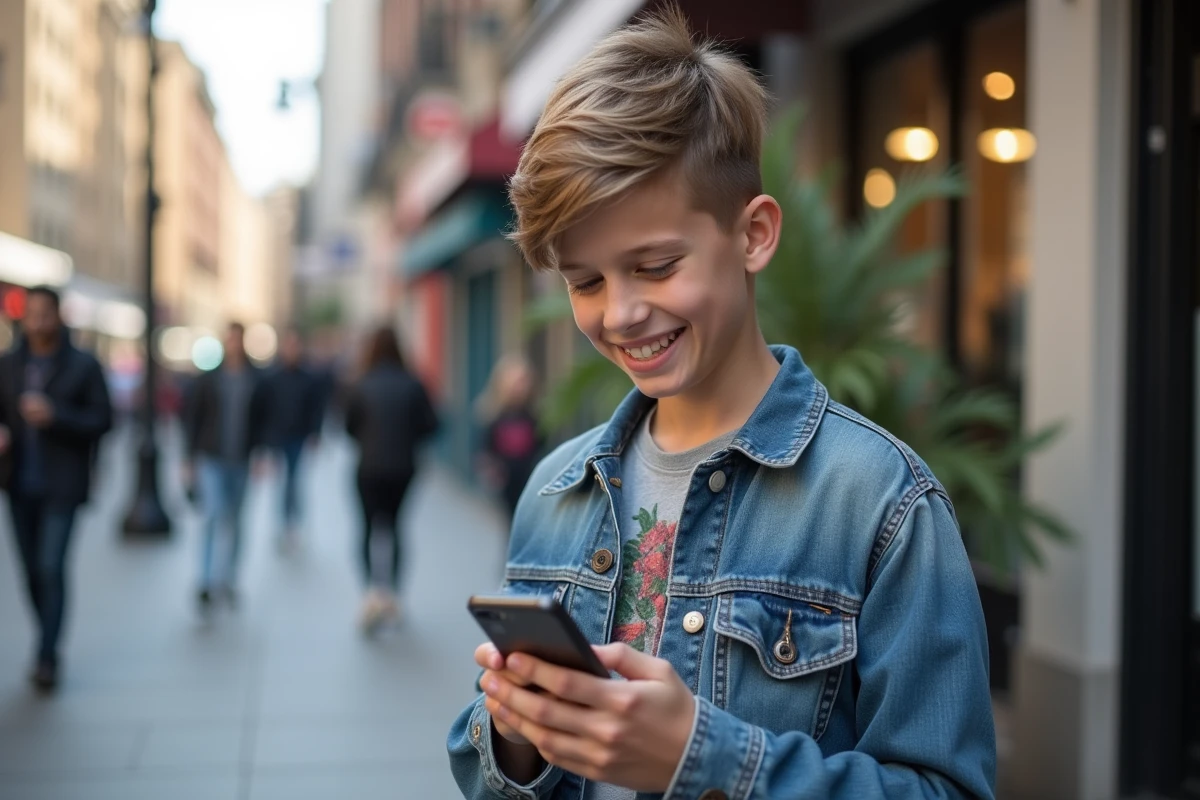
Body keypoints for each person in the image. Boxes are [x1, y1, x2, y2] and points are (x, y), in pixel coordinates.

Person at [447, 8, 995, 800]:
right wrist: (514, 733)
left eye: (657, 264)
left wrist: (699, 758)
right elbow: (485, 771)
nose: (622, 311)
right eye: (586, 281)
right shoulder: (554, 490)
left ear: (754, 235)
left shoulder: (881, 504)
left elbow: (947, 788)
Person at [0, 286, 112, 691]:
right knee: (31, 571)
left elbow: (103, 420)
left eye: (46, 313)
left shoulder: (82, 365)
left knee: (51, 566)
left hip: (63, 483)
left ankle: (48, 654)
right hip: (17, 483)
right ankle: (44, 633)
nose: (39, 321)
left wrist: (56, 416)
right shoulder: (9, 365)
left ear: (58, 316)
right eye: (32, 314)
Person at [344, 325, 438, 634]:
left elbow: (347, 427)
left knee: (368, 529)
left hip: (368, 468)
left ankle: (373, 592)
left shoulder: (360, 382)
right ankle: (394, 595)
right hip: (403, 468)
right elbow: (431, 426)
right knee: (397, 528)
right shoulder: (412, 383)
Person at [183, 322, 268, 615]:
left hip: (241, 459)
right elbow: (193, 418)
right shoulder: (209, 379)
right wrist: (188, 459)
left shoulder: (255, 378)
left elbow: (262, 420)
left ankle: (228, 578)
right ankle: (206, 580)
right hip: (212, 457)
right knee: (212, 515)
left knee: (236, 520)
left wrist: (261, 454)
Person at [262, 329, 323, 548]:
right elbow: (266, 410)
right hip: (278, 437)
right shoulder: (273, 378)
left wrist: (315, 433)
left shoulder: (308, 378)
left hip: (299, 437)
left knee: (295, 482)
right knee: (282, 484)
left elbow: (316, 409)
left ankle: (293, 524)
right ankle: (282, 524)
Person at [476, 355, 542, 528]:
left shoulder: (534, 414)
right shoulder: (494, 415)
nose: (520, 387)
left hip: (531, 477)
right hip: (506, 480)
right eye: (516, 381)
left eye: (524, 381)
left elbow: (541, 444)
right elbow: (485, 449)